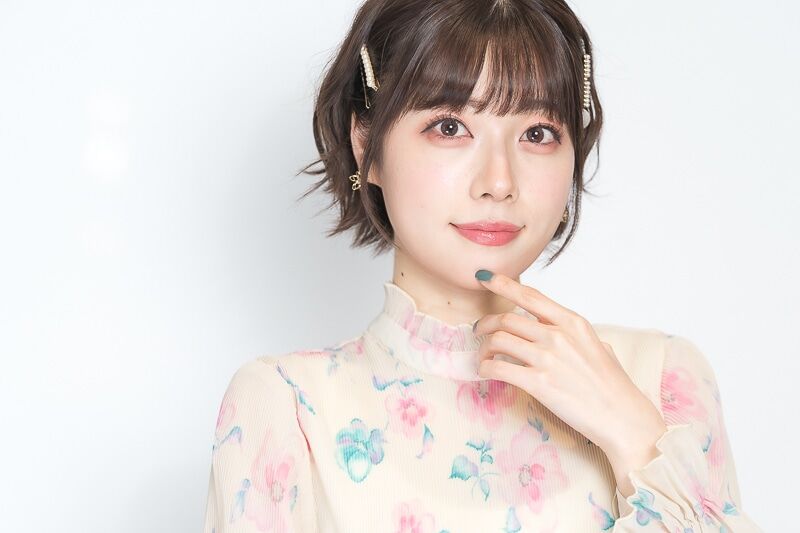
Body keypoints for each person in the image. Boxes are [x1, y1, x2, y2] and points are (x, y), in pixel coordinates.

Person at [202, 0, 763, 531]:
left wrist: (635, 436)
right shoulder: (286, 407)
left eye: (538, 134)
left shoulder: (661, 378)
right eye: (450, 127)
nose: (499, 181)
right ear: (366, 144)